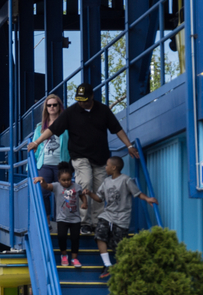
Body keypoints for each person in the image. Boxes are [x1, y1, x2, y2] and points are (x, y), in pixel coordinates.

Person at [27, 83, 141, 234]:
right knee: (85, 182)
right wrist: (36, 142)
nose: (81, 103)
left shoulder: (103, 110)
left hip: (100, 157)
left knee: (99, 189)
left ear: (92, 97)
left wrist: (128, 146)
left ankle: (96, 222)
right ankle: (83, 222)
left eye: (84, 100)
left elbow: (117, 129)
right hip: (80, 156)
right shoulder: (71, 112)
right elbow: (52, 130)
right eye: (79, 100)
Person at [84, 156, 157, 279]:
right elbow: (99, 198)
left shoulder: (126, 180)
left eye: (107, 165)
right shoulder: (106, 181)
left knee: (119, 244)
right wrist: (90, 193)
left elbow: (137, 193)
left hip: (122, 217)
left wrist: (147, 198)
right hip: (108, 214)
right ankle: (107, 265)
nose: (105, 167)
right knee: (100, 233)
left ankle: (120, 271)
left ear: (113, 167)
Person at [34, 161, 88, 267]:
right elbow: (46, 186)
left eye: (68, 179)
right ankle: (64, 256)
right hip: (62, 218)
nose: (66, 182)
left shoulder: (77, 187)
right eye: (63, 180)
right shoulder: (56, 186)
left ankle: (74, 258)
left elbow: (82, 195)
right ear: (59, 179)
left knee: (75, 239)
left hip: (75, 219)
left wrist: (85, 203)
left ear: (71, 177)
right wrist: (42, 180)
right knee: (61, 237)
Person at [33, 94, 71, 218]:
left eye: (55, 105)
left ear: (59, 107)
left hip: (61, 164)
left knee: (62, 193)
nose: (52, 107)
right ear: (46, 108)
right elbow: (35, 147)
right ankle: (47, 221)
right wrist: (31, 165)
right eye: (49, 105)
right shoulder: (40, 127)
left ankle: (61, 220)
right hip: (44, 164)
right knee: (43, 192)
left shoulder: (67, 125)